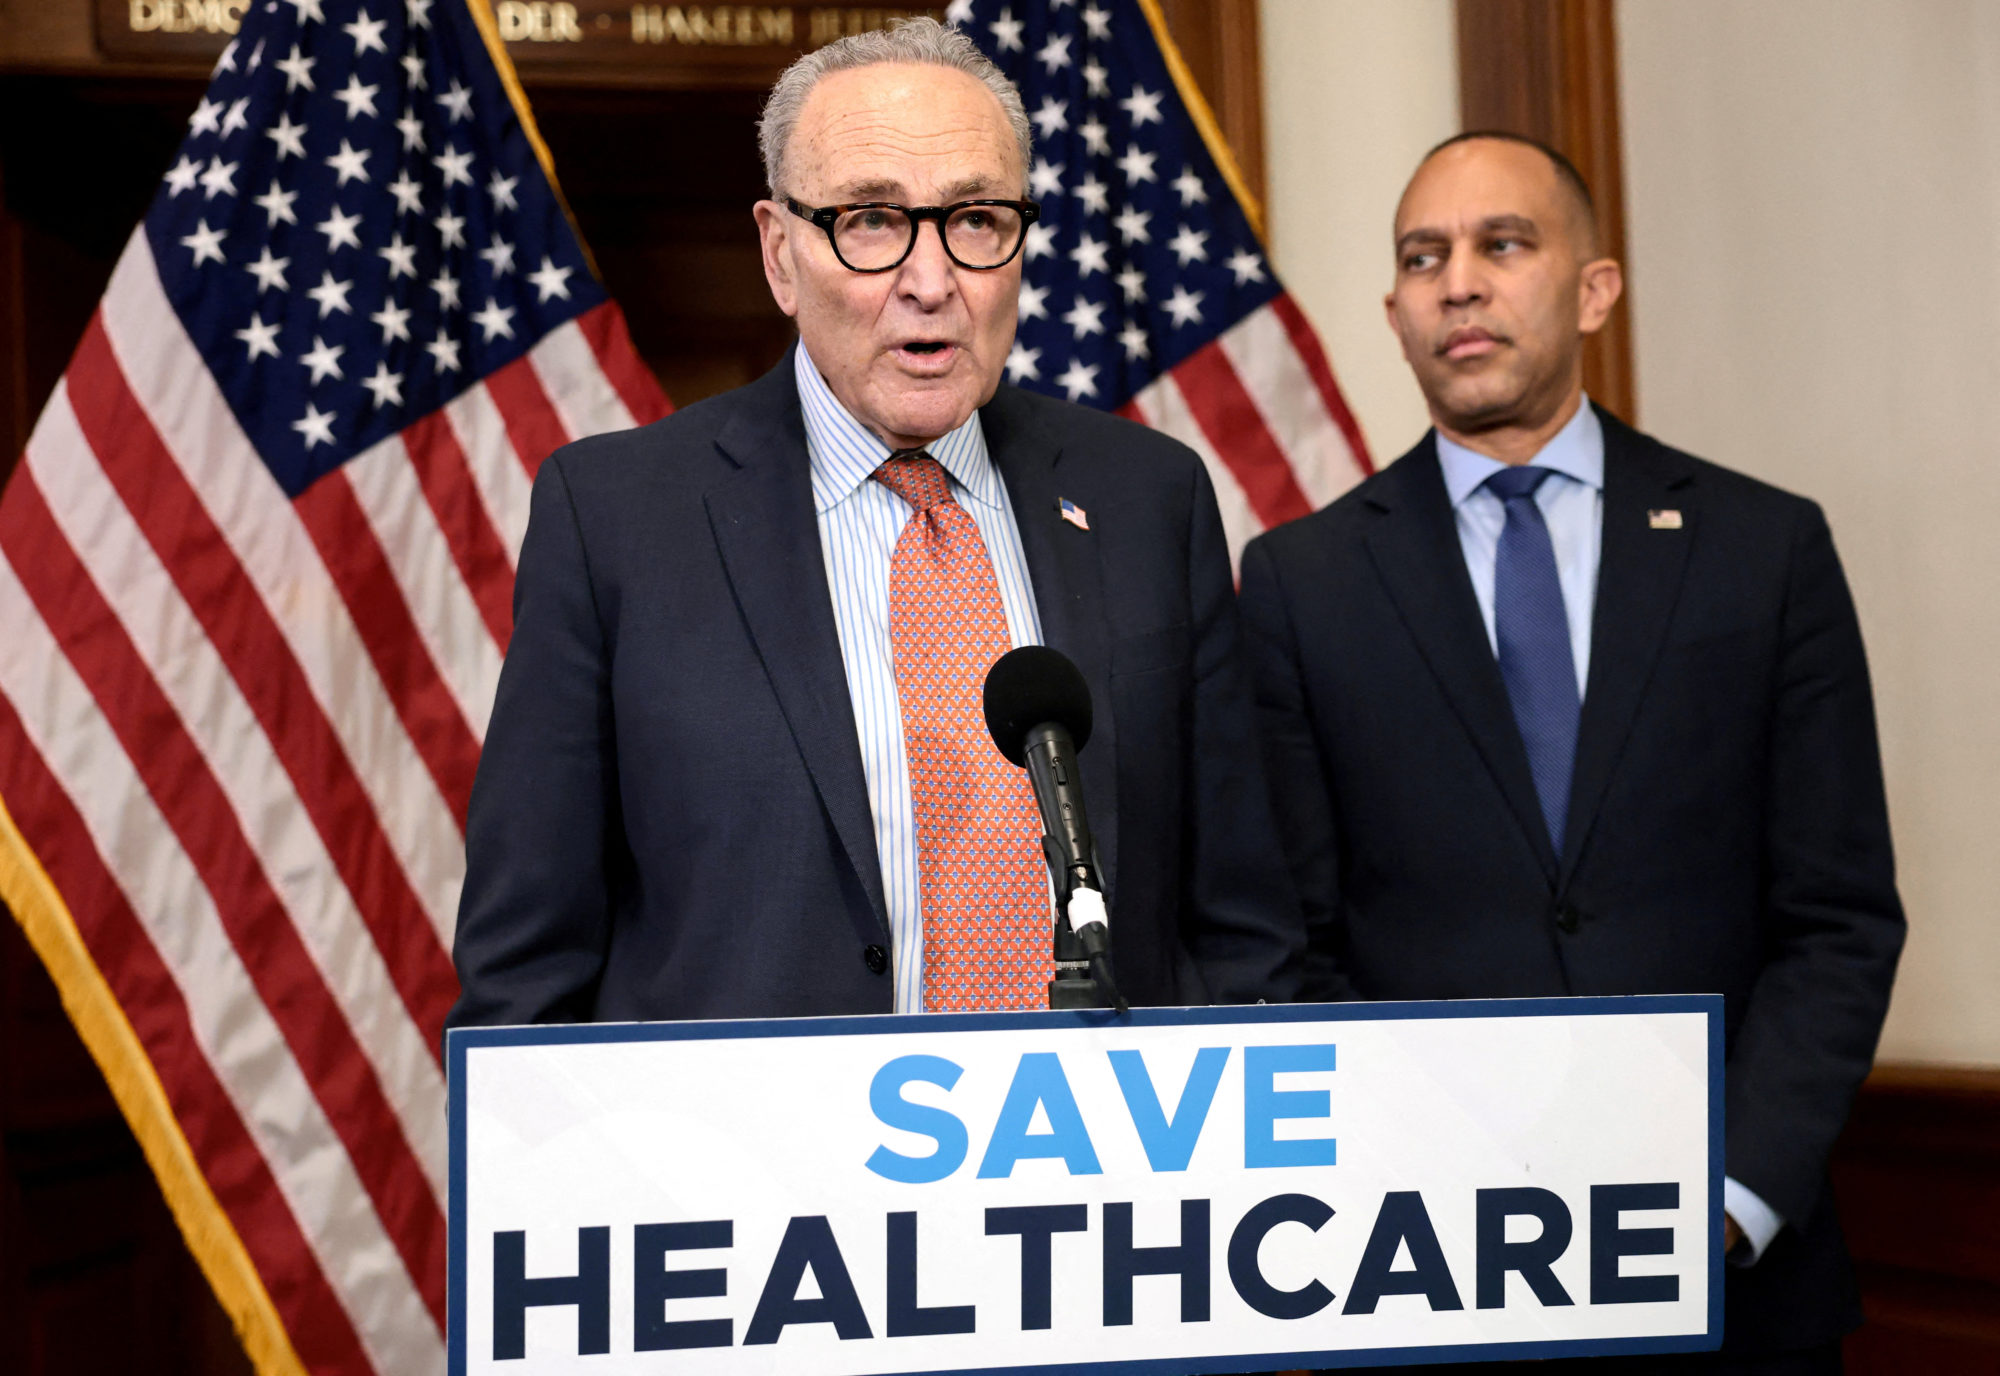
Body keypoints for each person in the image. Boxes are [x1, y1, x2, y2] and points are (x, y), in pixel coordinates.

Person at [447, 19, 1300, 1031]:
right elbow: (524, 971)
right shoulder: (618, 521)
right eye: (868, 220)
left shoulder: (1147, 499)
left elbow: (1242, 932)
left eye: (975, 219)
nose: (930, 280)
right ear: (779, 253)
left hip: (1096, 1165)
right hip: (750, 1174)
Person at [1238, 132, 1903, 1372]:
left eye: (1503, 244)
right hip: (1429, 1273)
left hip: (1735, 1286)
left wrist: (1733, 1193)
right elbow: (1285, 943)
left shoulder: (1763, 551)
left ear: (1593, 287)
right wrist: (1426, 1188)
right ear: (1392, 311)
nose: (1458, 283)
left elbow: (1838, 917)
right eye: (1422, 257)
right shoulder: (1299, 582)